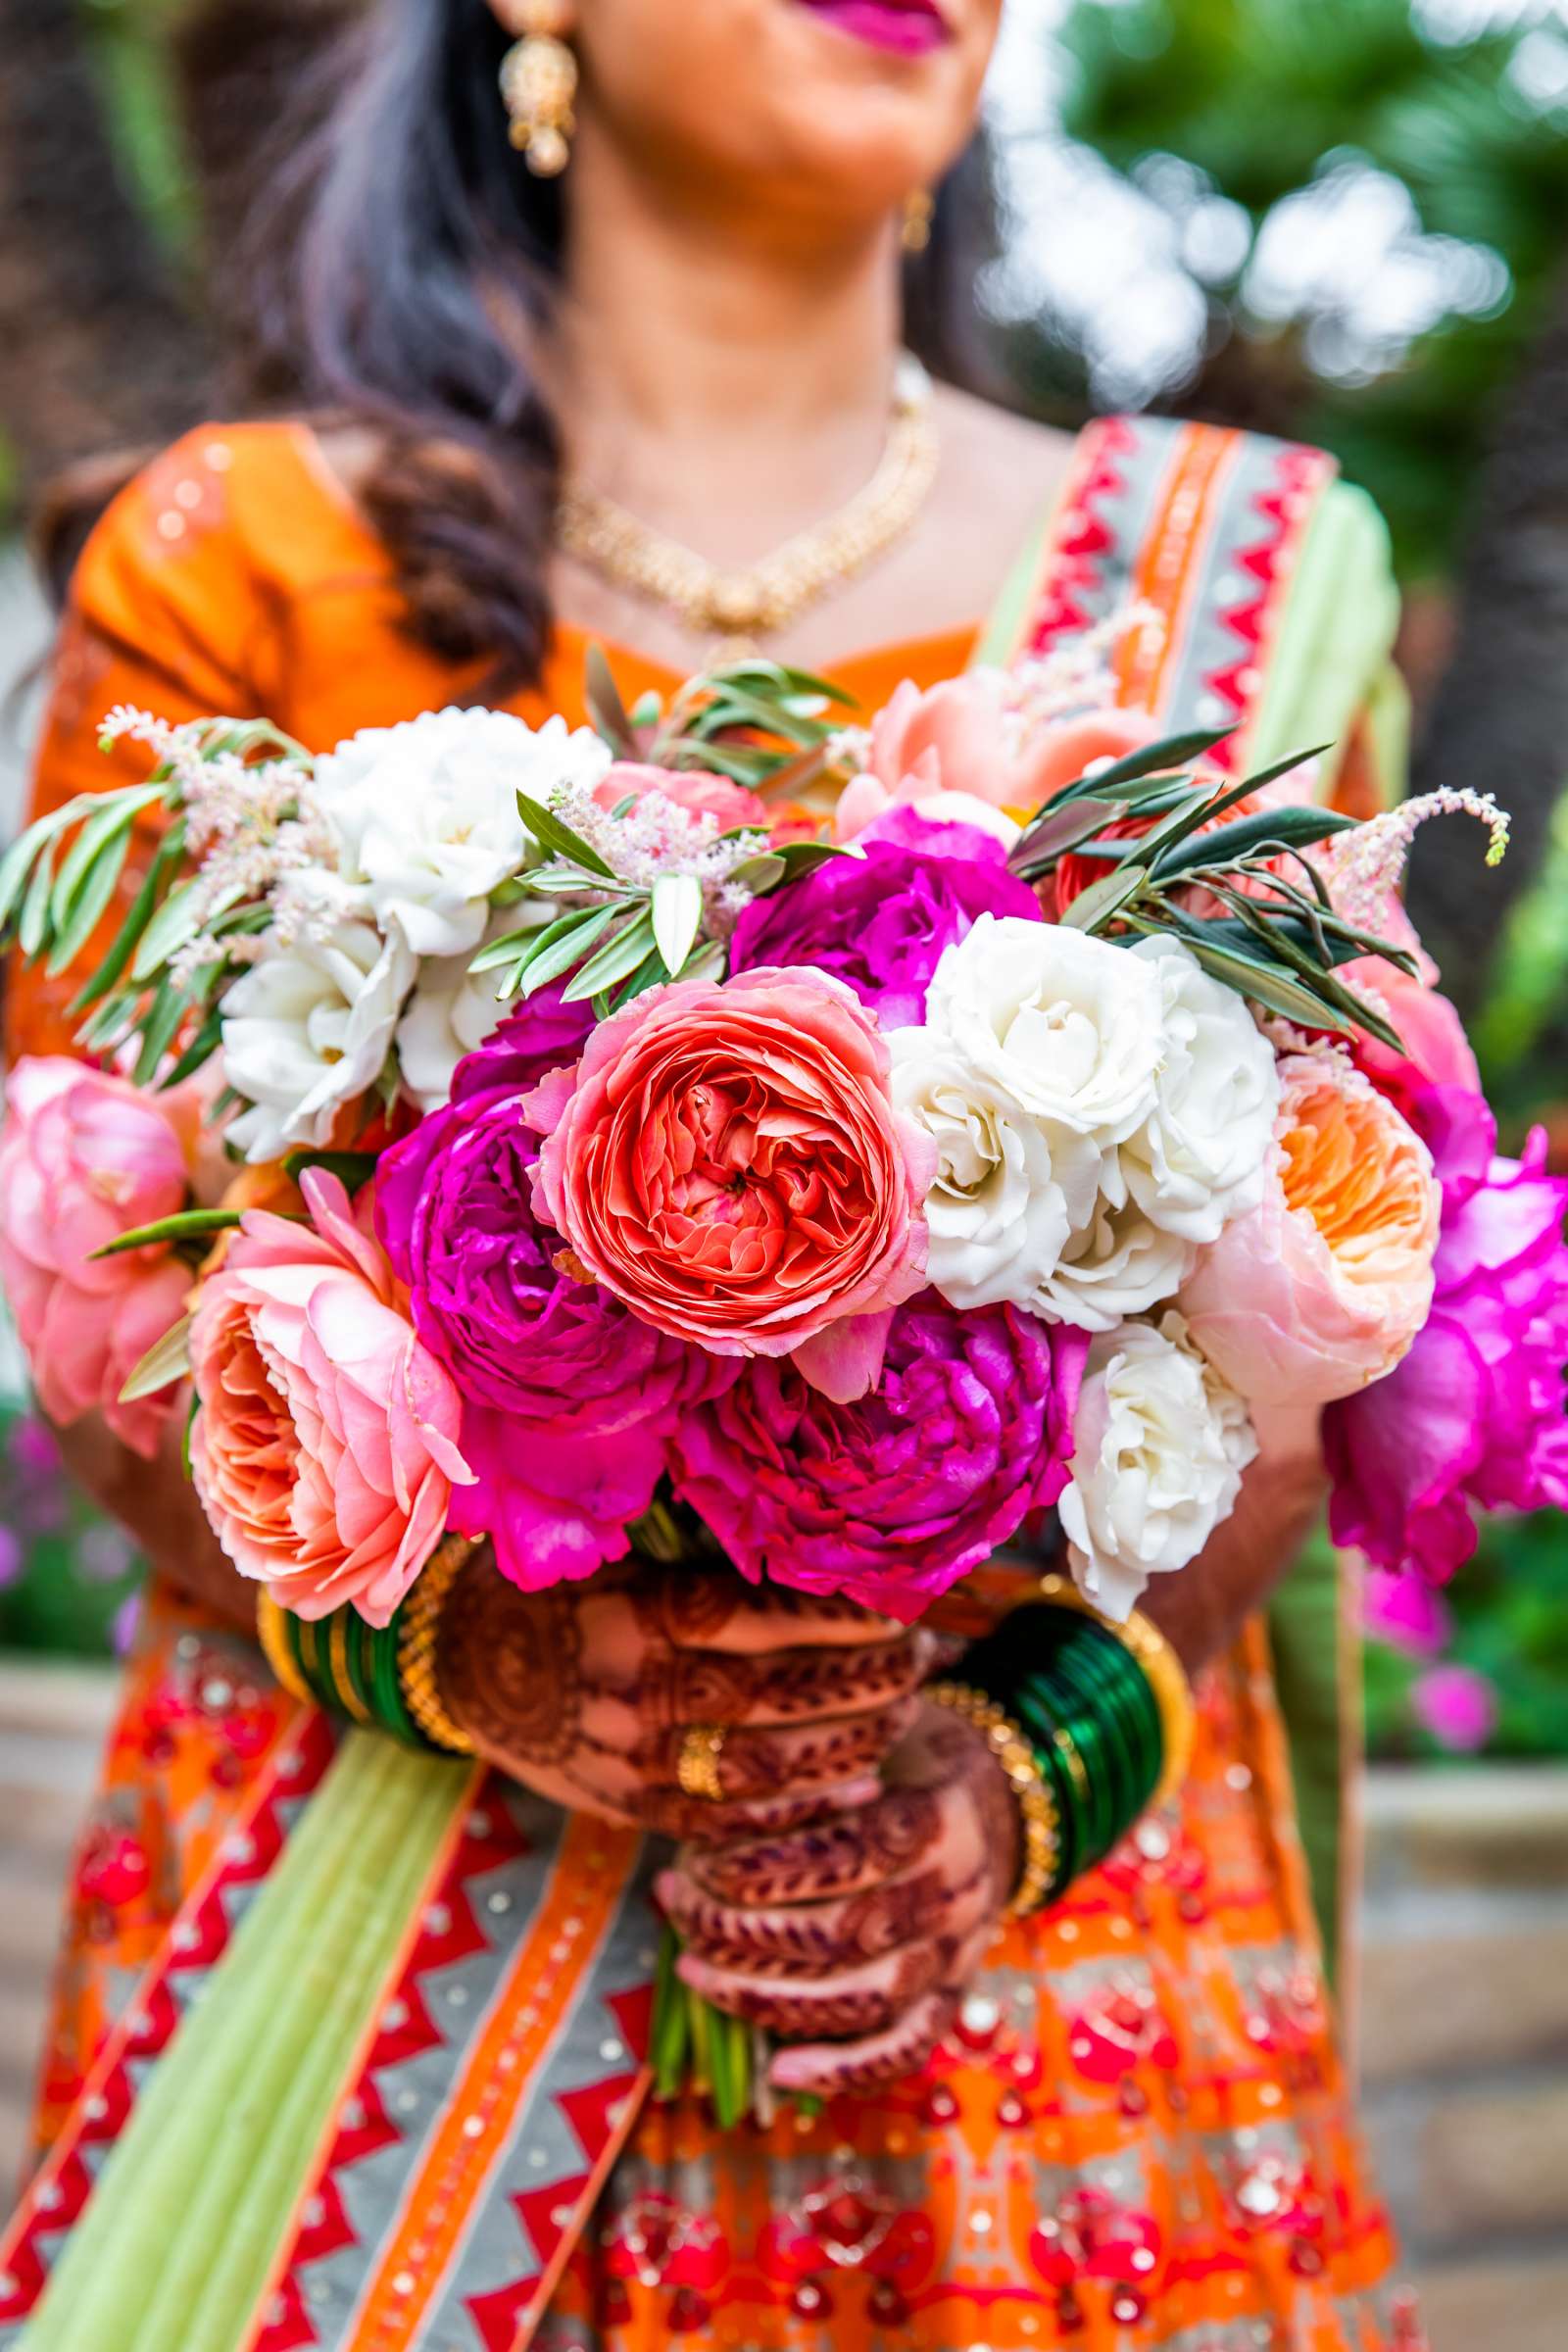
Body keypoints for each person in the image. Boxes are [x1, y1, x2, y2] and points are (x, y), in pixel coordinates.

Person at [0, 3, 1427, 2345]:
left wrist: (1002, 1772)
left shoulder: (1222, 589)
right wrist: (478, 1647)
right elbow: (108, 1304)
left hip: (1037, 2049)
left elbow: (1298, 1330)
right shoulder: (245, 557)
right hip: (379, 1973)